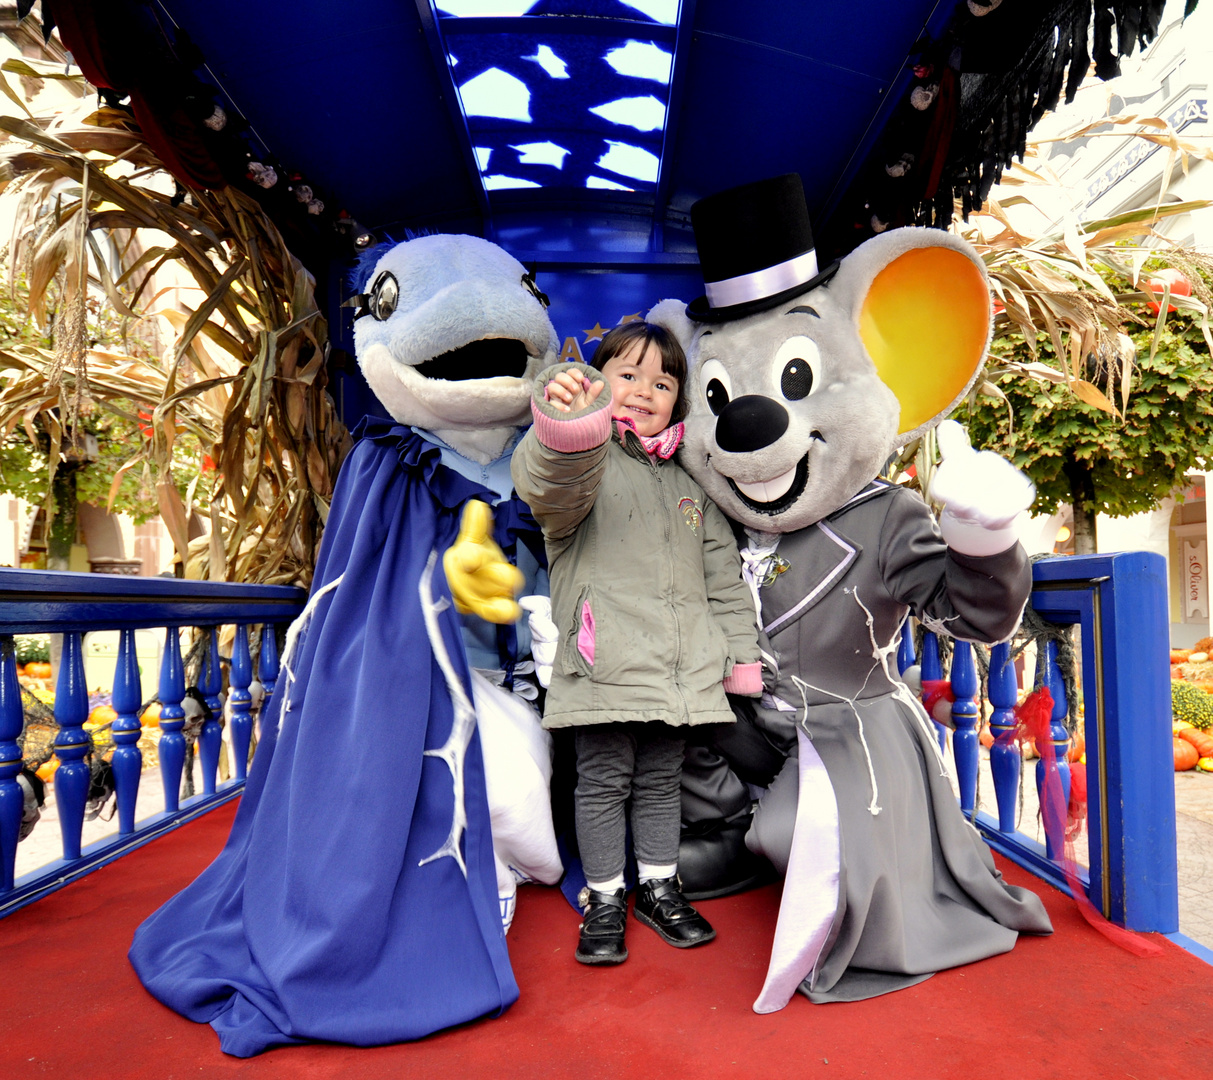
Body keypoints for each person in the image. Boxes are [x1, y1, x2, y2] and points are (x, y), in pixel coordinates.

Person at [511, 322, 762, 966]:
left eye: (663, 381)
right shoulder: (585, 462)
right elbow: (546, 485)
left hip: (677, 669)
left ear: (678, 400)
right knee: (600, 783)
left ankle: (657, 885)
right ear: (599, 381)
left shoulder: (690, 486)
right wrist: (569, 422)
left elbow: (723, 581)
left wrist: (739, 657)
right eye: (628, 375)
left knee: (659, 782)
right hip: (604, 663)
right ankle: (603, 897)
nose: (644, 390)